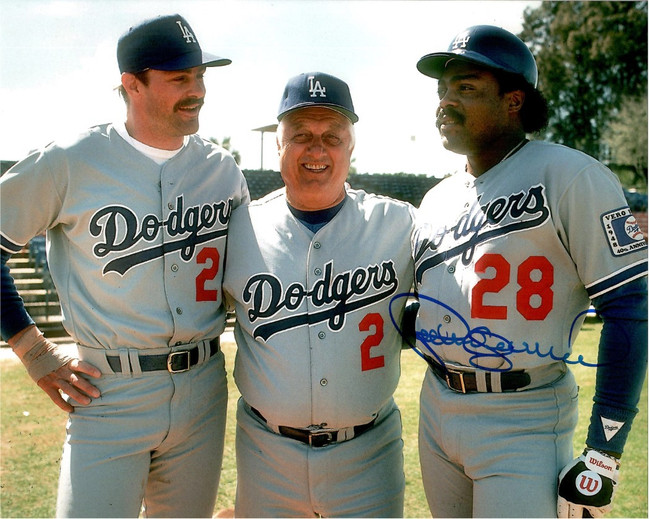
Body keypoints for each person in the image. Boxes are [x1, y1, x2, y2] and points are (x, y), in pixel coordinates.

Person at [0, 14, 249, 517]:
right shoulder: (70, 159)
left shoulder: (221, 170)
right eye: (180, 78)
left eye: (201, 75)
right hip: (107, 390)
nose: (197, 90)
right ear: (131, 85)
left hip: (203, 387)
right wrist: (31, 347)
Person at [411, 25, 647, 518]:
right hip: (436, 407)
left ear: (513, 100)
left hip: (526, 415)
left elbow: (629, 308)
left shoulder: (571, 175)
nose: (444, 104)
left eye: (466, 88)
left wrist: (605, 452)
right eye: (442, 91)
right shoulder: (436, 198)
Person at [222, 72, 415, 517]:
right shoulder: (239, 229)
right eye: (301, 135)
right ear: (278, 144)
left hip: (369, 451)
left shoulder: (400, 224)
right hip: (267, 452)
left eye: (332, 136)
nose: (316, 149)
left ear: (351, 146)